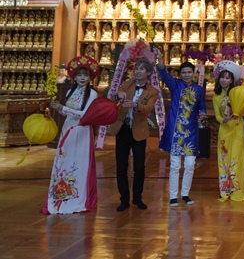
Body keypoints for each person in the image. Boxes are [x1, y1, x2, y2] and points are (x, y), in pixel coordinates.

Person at [44, 55, 99, 214]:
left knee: (79, 163)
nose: (82, 78)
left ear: (90, 77)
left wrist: (63, 108)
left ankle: (76, 196)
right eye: (79, 75)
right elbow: (67, 112)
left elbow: (84, 114)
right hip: (67, 129)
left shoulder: (92, 94)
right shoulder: (70, 91)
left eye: (85, 75)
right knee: (64, 161)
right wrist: (57, 108)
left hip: (82, 130)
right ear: (74, 76)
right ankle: (60, 195)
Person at [154, 48, 207, 208]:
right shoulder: (175, 85)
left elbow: (202, 106)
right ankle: (173, 196)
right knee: (175, 165)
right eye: (183, 72)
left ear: (193, 73)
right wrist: (160, 59)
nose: (186, 75)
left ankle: (185, 194)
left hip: (191, 132)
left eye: (189, 72)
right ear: (180, 74)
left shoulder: (199, 89)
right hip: (176, 132)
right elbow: (164, 73)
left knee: (190, 165)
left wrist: (203, 114)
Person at [109, 59, 159, 212]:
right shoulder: (127, 84)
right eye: (136, 68)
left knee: (139, 167)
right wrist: (117, 95)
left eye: (141, 69)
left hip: (138, 131)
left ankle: (137, 197)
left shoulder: (153, 91)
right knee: (121, 166)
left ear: (148, 73)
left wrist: (135, 104)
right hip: (122, 129)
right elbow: (112, 99)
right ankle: (124, 199)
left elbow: (148, 108)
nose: (137, 71)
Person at [213, 60, 244, 202]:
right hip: (224, 129)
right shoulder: (216, 96)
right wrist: (222, 120)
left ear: (232, 80)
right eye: (222, 77)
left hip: (237, 128)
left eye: (227, 78)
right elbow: (217, 115)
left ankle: (237, 189)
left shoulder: (237, 92)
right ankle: (225, 190)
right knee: (224, 159)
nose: (224, 80)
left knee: (237, 157)